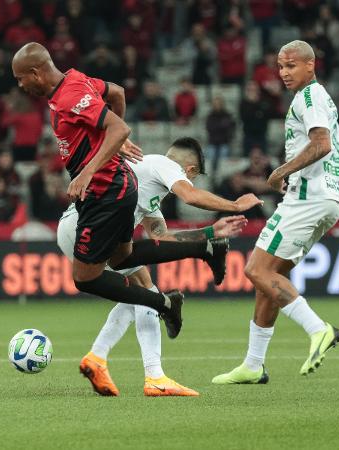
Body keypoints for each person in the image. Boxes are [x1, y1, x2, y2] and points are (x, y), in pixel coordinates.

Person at [11, 42, 235, 341]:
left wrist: (88, 171)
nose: (20, 85)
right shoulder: (76, 79)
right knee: (121, 258)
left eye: (20, 78)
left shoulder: (70, 95)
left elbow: (119, 128)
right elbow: (117, 92)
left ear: (36, 73)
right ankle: (206, 248)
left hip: (104, 191)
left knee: (84, 278)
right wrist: (113, 139)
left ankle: (165, 303)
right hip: (119, 185)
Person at [57, 137, 262, 396]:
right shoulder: (165, 166)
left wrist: (210, 231)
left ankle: (98, 358)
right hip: (88, 227)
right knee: (143, 287)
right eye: (192, 178)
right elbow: (190, 196)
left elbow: (161, 241)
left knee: (141, 288)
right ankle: (154, 375)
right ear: (190, 171)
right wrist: (234, 205)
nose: (189, 182)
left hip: (76, 228)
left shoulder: (146, 180)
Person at [213, 40, 339, 385]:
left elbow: (322, 143)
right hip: (324, 198)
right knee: (271, 278)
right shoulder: (314, 97)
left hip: (307, 199)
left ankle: (319, 330)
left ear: (310, 66)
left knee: (256, 269)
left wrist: (281, 171)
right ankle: (253, 365)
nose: (284, 73)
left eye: (291, 66)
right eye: (280, 67)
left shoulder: (310, 97)